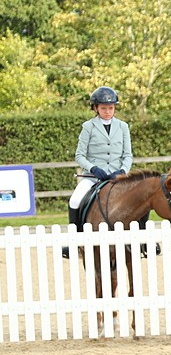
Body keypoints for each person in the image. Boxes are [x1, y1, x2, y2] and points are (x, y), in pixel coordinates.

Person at [64, 86, 132, 257]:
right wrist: (93, 168)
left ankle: (144, 242)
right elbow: (79, 155)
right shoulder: (88, 127)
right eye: (103, 108)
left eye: (111, 108)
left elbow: (128, 155)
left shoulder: (123, 126)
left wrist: (122, 170)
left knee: (140, 198)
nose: (107, 111)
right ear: (95, 108)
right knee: (75, 200)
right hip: (94, 177)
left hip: (118, 176)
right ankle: (74, 242)